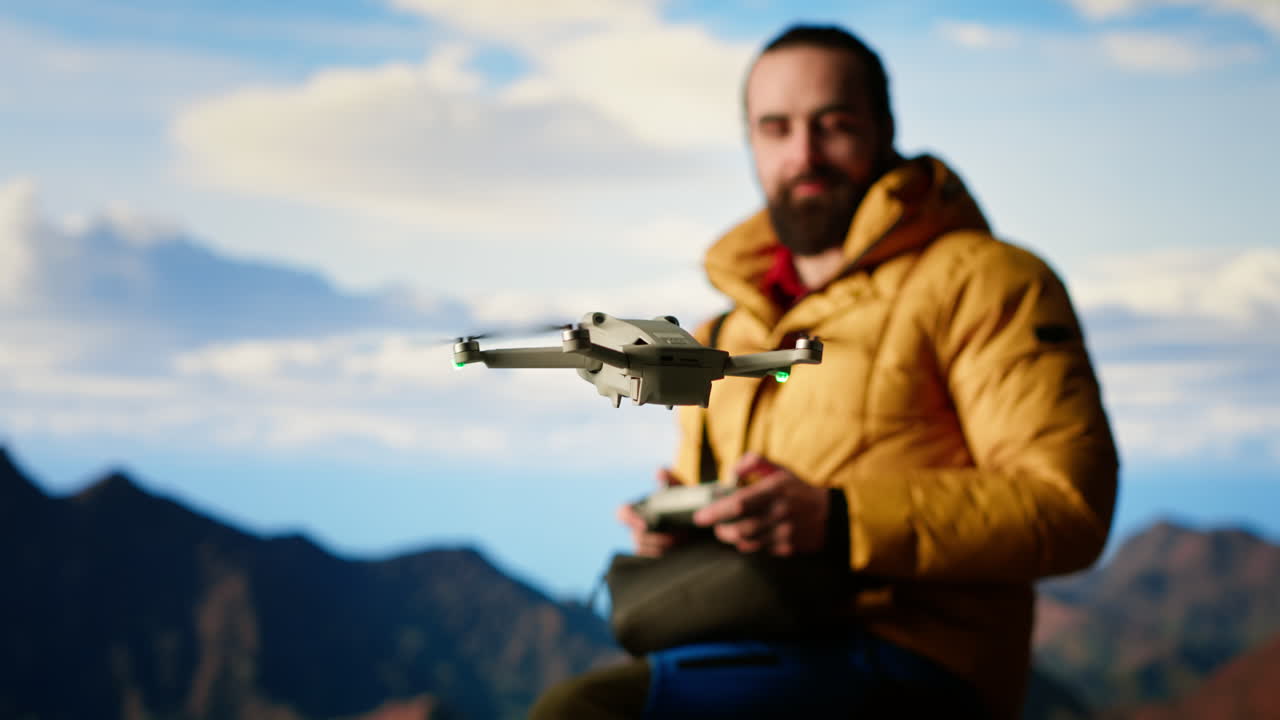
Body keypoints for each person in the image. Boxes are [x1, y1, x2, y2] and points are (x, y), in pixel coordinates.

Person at [531, 23, 1117, 720]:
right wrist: (681, 526)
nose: (803, 154)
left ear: (884, 130)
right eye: (776, 129)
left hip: (917, 664)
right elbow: (728, 505)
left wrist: (838, 519)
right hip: (752, 633)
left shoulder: (989, 282)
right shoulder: (724, 332)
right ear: (752, 145)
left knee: (581, 712)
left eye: (833, 125)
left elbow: (1068, 508)